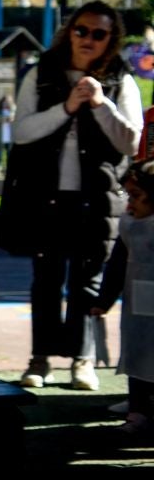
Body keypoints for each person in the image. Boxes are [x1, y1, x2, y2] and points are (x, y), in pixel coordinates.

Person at [8, 2, 142, 390]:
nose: (88, 40)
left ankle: (82, 360)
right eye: (81, 30)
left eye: (99, 34)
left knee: (88, 279)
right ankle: (40, 358)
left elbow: (131, 141)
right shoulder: (42, 73)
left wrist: (100, 104)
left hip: (96, 197)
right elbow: (22, 131)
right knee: (45, 278)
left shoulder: (121, 78)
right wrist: (67, 107)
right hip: (45, 194)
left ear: (111, 40)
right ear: (70, 31)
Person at [95, 159, 153, 430]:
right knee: (137, 351)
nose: (130, 205)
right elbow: (117, 263)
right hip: (139, 302)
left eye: (137, 197)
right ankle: (138, 408)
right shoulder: (130, 224)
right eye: (129, 197)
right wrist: (104, 300)